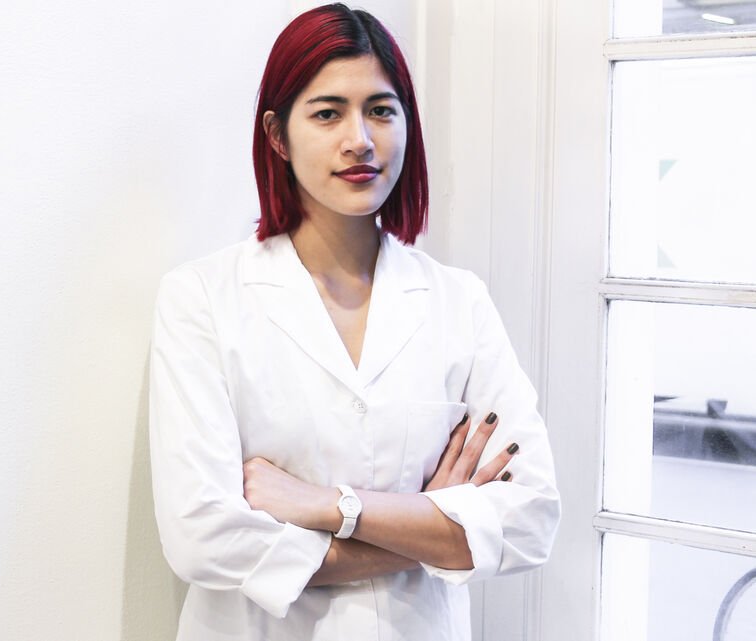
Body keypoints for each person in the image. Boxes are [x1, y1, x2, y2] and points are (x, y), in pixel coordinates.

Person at [147, 4, 560, 640]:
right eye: (327, 112)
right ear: (278, 135)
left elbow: (531, 518)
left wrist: (327, 506)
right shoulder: (202, 298)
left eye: (380, 110)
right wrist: (430, 525)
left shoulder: (458, 301)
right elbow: (202, 537)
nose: (359, 140)